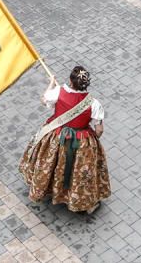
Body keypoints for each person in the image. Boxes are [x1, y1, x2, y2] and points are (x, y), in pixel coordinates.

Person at [19, 65, 110, 214]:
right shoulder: (94, 104)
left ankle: (46, 187)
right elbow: (99, 129)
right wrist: (93, 142)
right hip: (81, 141)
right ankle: (82, 201)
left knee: (50, 163)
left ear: (70, 80)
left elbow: (44, 99)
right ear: (86, 83)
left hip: (57, 136)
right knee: (81, 172)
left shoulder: (58, 92)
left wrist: (52, 83)